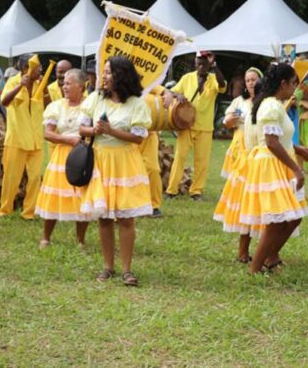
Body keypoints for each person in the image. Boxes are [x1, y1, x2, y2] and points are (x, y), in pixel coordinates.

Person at [79, 56, 153, 287]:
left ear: (122, 75)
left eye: (110, 72)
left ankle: (127, 270)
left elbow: (139, 138)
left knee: (125, 218)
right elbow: (81, 128)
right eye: (105, 72)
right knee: (104, 218)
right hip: (101, 162)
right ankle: (108, 267)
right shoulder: (95, 99)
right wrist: (94, 130)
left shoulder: (136, 105)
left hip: (124, 163)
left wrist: (111, 130)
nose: (105, 76)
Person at [239, 63, 308, 274]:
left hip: (279, 162)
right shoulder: (271, 105)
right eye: (293, 83)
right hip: (272, 164)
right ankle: (256, 267)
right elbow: (271, 142)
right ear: (283, 83)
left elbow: (280, 139)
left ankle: (270, 257)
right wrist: (297, 169)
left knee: (293, 216)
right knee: (277, 219)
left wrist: (299, 151)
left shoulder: (273, 104)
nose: (294, 88)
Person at [36, 69, 92, 248]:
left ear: (81, 86)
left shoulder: (90, 105)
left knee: (82, 197)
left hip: (83, 156)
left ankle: (80, 240)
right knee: (54, 196)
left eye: (69, 83)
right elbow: (48, 133)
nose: (64, 86)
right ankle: (46, 237)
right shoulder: (56, 106)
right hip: (61, 157)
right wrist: (67, 139)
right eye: (63, 83)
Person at [213, 67, 262, 262]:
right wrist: (230, 120)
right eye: (248, 80)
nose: (250, 83)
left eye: (254, 79)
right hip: (241, 150)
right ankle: (244, 251)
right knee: (244, 197)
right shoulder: (239, 101)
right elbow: (225, 121)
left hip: (257, 151)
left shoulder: (264, 102)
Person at [166, 50, 227, 200]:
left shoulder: (213, 79)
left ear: (209, 64)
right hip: (186, 125)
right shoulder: (187, 78)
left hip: (205, 127)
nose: (201, 66)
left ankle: (196, 191)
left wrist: (215, 65)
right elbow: (170, 91)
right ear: (195, 63)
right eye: (199, 63)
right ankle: (171, 190)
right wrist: (177, 95)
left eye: (204, 63)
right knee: (180, 157)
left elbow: (222, 85)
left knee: (202, 161)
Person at [0, 53, 44, 220]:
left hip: (36, 139)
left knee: (34, 178)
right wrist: (20, 86)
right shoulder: (13, 81)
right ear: (26, 68)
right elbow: (4, 102)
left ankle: (29, 212)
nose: (40, 69)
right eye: (37, 67)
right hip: (17, 138)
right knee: (11, 177)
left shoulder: (40, 84)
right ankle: (5, 209)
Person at [139, 84, 174, 217]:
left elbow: (154, 86)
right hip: (125, 135)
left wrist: (166, 92)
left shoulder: (145, 79)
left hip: (148, 134)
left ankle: (153, 206)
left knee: (152, 168)